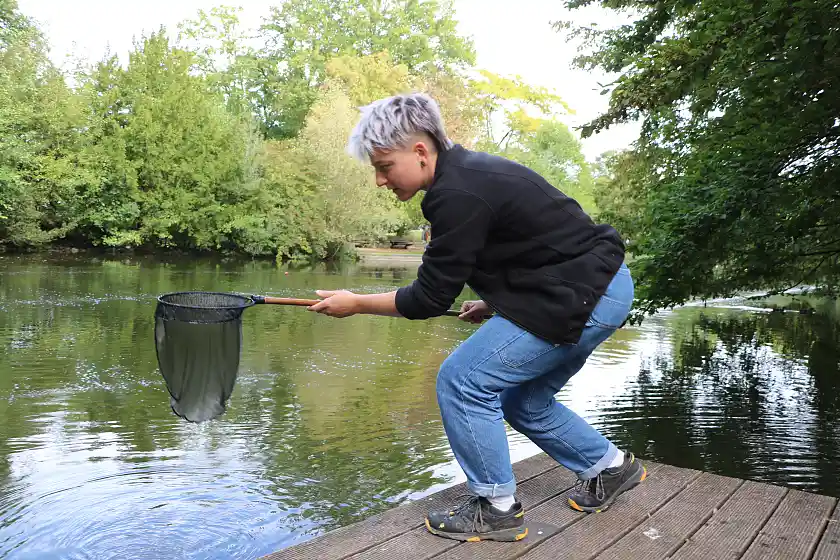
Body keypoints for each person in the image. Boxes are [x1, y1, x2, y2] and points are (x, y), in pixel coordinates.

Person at [307, 93, 646, 543]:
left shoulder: (456, 192)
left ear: (420, 151)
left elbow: (429, 298)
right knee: (524, 402)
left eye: (384, 166)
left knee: (462, 380)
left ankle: (497, 509)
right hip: (601, 287)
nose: (379, 180)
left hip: (584, 294)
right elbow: (538, 247)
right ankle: (609, 466)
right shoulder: (469, 176)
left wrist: (357, 303)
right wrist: (496, 303)